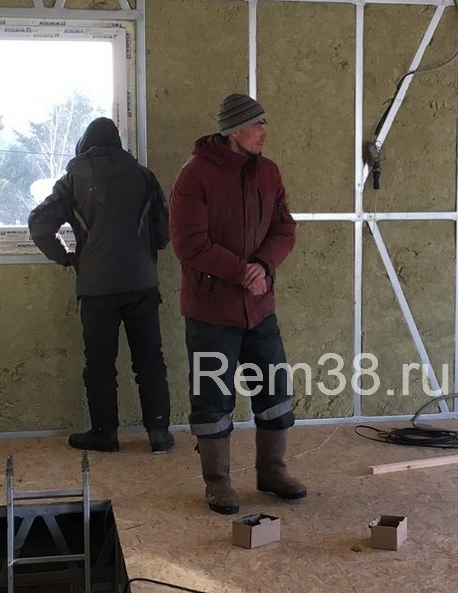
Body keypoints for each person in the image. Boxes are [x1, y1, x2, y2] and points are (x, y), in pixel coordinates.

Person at [168, 93, 306, 513]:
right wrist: (239, 270)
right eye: (256, 124)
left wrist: (262, 266)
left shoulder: (269, 172)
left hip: (259, 307)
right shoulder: (194, 176)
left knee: (275, 389)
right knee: (213, 399)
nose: (265, 132)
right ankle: (217, 482)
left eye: (265, 122)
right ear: (233, 131)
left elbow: (284, 229)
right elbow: (188, 243)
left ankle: (272, 471)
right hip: (211, 312)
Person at [28, 117, 173, 453]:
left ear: (85, 145)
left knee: (100, 363)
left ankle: (105, 434)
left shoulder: (73, 179)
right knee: (150, 360)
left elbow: (39, 224)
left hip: (97, 288)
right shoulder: (144, 176)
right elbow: (164, 231)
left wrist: (67, 258)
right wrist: (145, 253)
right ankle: (159, 433)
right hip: (141, 283)